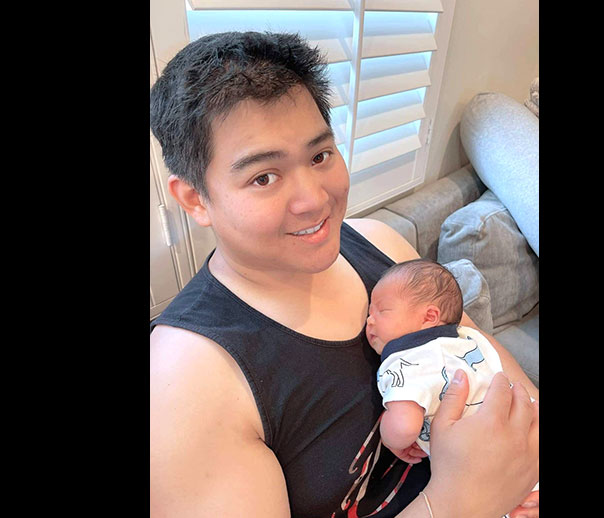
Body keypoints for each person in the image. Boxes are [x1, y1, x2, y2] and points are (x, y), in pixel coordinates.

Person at [150, 31, 539, 518]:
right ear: (193, 198)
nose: (315, 200)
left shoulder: (379, 244)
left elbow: (478, 352)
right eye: (263, 177)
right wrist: (464, 498)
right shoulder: (184, 386)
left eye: (319, 156)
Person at [366, 259, 539, 516]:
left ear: (430, 316)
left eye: (382, 310)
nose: (369, 321)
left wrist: (391, 438)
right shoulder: (466, 340)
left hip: (490, 473)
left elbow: (404, 427)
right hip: (527, 438)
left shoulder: (407, 361)